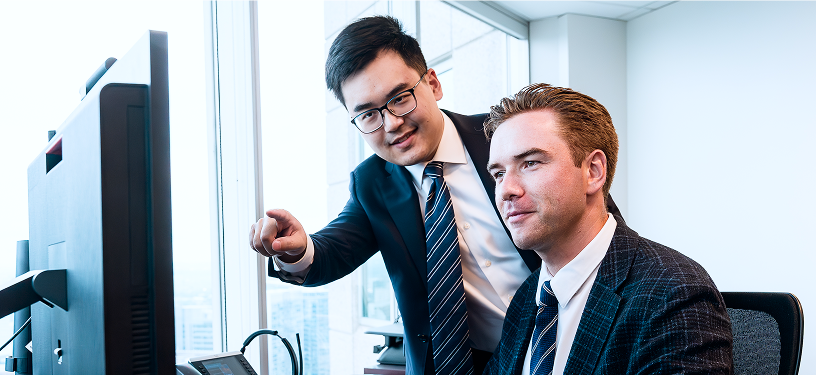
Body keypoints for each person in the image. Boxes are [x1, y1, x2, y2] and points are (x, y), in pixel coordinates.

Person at [249, 17, 621, 375]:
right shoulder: (371, 184)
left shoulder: (504, 137)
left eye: (400, 98)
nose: (392, 123)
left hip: (562, 347)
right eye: (367, 115)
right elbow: (331, 251)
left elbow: (598, 225)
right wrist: (296, 250)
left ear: (433, 83)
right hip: (457, 364)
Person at [483, 83, 733, 374]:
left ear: (593, 172)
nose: (506, 190)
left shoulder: (674, 292)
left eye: (530, 163)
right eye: (499, 173)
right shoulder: (527, 297)